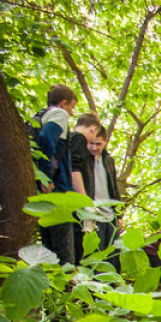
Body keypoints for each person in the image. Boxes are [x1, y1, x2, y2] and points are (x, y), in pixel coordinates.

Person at [33, 85, 78, 263]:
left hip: (43, 194)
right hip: (57, 190)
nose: (72, 113)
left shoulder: (40, 116)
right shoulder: (59, 115)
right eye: (72, 107)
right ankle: (67, 288)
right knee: (64, 251)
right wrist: (46, 178)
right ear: (63, 103)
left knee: (49, 247)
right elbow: (46, 139)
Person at [81, 126, 123, 264]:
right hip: (93, 215)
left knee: (113, 256)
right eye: (91, 143)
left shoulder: (108, 160)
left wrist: (120, 216)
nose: (94, 147)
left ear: (106, 141)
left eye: (98, 144)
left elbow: (114, 189)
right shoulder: (83, 159)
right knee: (94, 256)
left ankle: (113, 285)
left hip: (110, 215)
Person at [66, 114, 104, 263]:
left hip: (71, 201)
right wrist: (85, 203)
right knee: (77, 243)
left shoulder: (69, 138)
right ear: (93, 129)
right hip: (76, 203)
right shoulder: (79, 139)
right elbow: (75, 170)